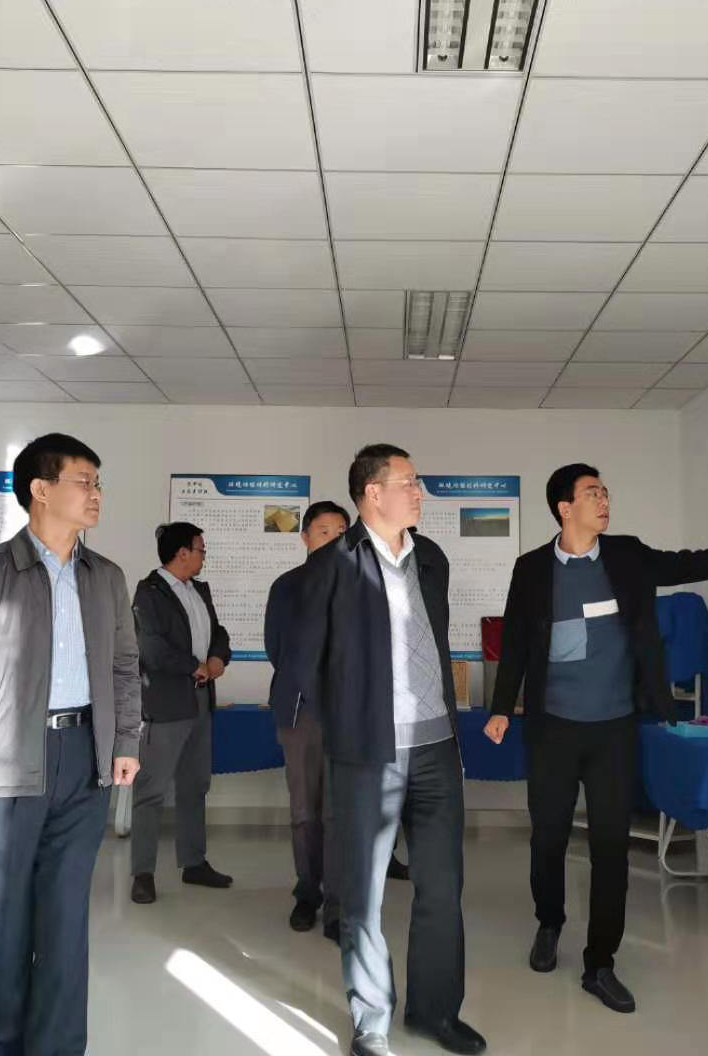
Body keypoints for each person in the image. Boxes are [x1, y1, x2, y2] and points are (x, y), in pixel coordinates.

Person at [484, 463, 708, 1013]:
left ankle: (600, 962)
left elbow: (691, 564)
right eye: (592, 493)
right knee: (547, 838)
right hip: (552, 729)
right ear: (564, 508)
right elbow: (517, 641)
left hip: (615, 728)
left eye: (605, 492)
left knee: (610, 847)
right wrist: (501, 709)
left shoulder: (627, 555)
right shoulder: (532, 568)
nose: (604, 500)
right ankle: (549, 921)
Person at [0, 433, 141, 1056]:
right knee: (0, 921)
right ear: (40, 490)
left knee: (67, 919)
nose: (96, 494)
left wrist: (125, 739)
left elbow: (124, 665)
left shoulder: (105, 577)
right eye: (84, 481)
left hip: (86, 760)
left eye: (98, 483)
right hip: (3, 765)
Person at [294, 444, 485, 1056]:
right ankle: (371, 1020)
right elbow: (305, 661)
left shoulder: (431, 557)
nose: (419, 491)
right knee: (364, 894)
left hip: (437, 747)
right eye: (409, 482)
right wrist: (349, 725)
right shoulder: (333, 565)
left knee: (442, 887)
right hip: (367, 753)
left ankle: (436, 1011)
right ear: (373, 493)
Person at [265, 500, 409, 940]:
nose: (333, 539)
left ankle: (338, 906)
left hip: (352, 714)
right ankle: (307, 892)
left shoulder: (368, 583)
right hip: (303, 711)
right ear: (305, 538)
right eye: (323, 531)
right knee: (305, 810)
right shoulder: (288, 586)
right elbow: (278, 648)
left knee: (341, 813)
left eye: (341, 531)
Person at [129, 521, 233, 904]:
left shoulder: (199, 589)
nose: (204, 556)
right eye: (201, 549)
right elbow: (151, 650)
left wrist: (218, 657)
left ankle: (193, 862)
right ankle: (142, 873)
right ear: (182, 553)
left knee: (195, 785)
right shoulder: (149, 592)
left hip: (201, 701)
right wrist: (195, 667)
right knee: (151, 790)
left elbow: (218, 632)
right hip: (167, 703)